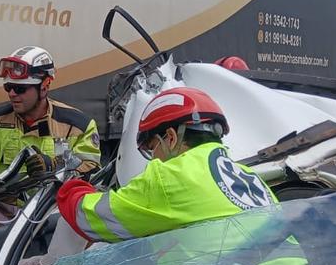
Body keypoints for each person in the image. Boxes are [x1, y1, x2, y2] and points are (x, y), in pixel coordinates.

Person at [57, 87, 277, 240]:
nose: (154, 158)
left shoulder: (172, 176)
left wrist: (70, 186)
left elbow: (90, 217)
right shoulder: (248, 176)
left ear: (171, 137)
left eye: (152, 148)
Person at [0, 46, 100, 202]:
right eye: (8, 87)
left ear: (44, 86)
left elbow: (91, 170)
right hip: (2, 218)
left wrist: (53, 166)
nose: (12, 94)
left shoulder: (78, 126)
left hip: (53, 216)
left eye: (20, 88)